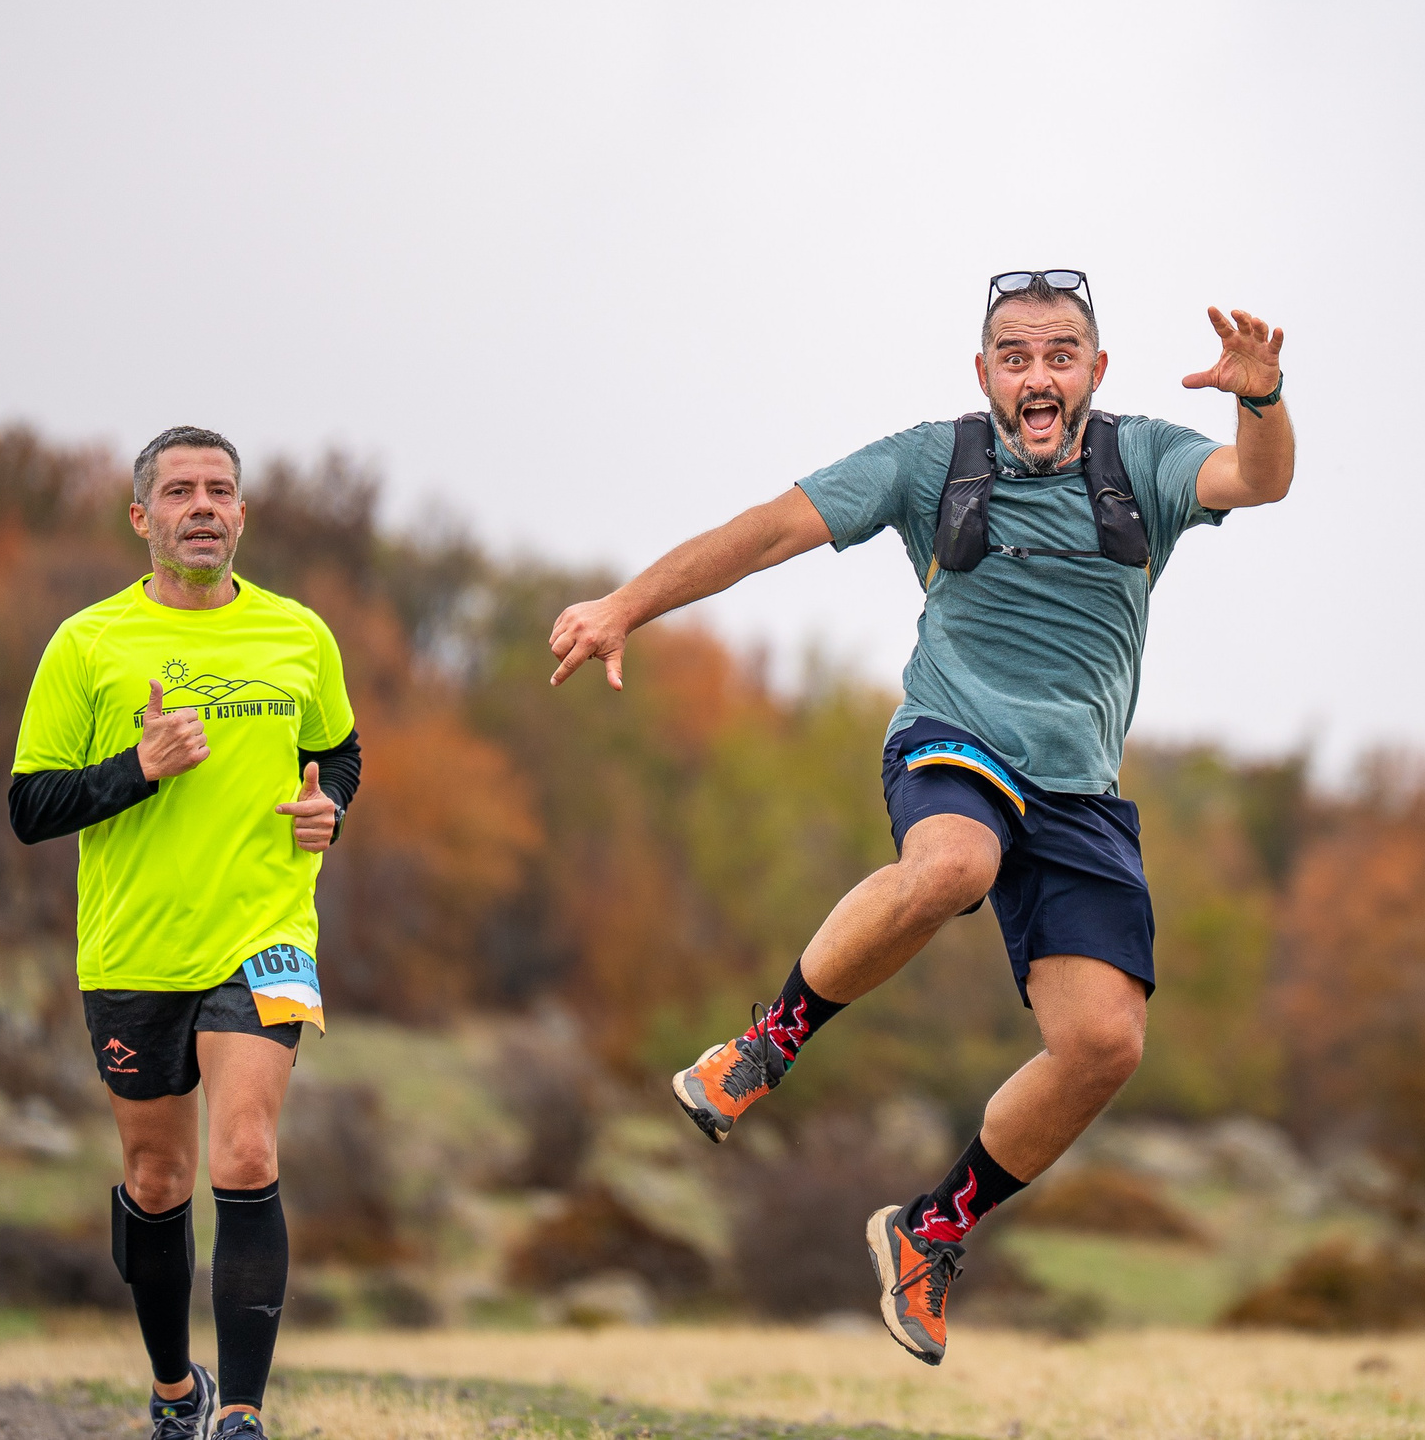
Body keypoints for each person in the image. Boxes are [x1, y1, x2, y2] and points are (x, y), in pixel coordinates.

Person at [548, 272, 1292, 1363]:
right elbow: (765, 533)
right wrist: (624, 607)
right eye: (1014, 354)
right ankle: (763, 1048)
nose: (1037, 374)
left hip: (1079, 790)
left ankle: (928, 1232)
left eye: (1059, 353)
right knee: (953, 866)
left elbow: (1256, 481)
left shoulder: (1147, 462)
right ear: (984, 372)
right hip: (955, 738)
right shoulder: (926, 461)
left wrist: (1260, 402)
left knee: (1102, 1045)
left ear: (1094, 369)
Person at [9, 427, 361, 1440]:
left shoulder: (299, 634)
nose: (201, 505)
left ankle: (242, 1416)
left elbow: (337, 754)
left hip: (264, 933)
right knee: (157, 1180)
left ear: (243, 514)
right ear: (143, 518)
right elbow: (30, 805)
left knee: (245, 1153)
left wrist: (327, 808)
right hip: (133, 952)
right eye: (179, 492)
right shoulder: (87, 645)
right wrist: (138, 769)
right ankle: (176, 1391)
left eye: (219, 490)